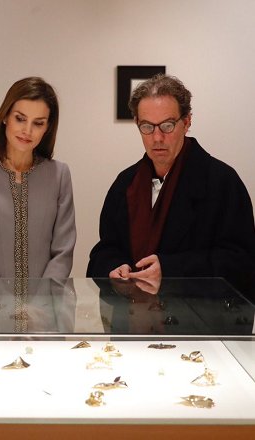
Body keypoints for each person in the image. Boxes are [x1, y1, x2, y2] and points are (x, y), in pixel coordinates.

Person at [87, 74, 255, 301]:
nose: (157, 137)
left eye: (167, 125)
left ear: (186, 122)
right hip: (132, 316)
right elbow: (106, 250)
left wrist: (170, 271)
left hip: (198, 319)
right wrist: (114, 268)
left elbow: (241, 263)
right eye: (147, 126)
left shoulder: (222, 182)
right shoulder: (125, 183)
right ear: (137, 124)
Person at [0, 77, 76, 279]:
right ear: (5, 117)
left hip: (46, 298)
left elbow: (63, 251)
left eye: (38, 123)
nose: (27, 131)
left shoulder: (59, 175)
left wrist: (44, 296)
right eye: (20, 119)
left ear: (47, 128)